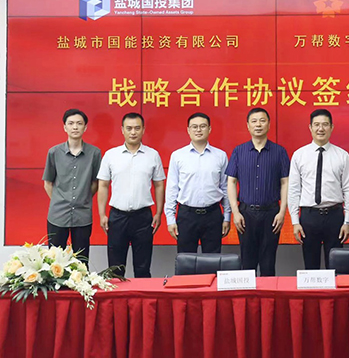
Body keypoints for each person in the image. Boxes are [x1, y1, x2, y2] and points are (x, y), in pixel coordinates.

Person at [97, 113, 165, 277]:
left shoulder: (152, 155)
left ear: (143, 130)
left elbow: (159, 185)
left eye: (137, 128)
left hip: (143, 217)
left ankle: (143, 295)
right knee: (115, 269)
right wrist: (102, 214)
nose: (133, 132)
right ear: (122, 130)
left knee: (143, 267)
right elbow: (103, 185)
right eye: (129, 128)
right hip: (117, 217)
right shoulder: (111, 155)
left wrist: (158, 213)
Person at [288, 109, 349, 269]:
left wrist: (347, 221)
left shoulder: (342, 156)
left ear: (331, 127)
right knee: (310, 266)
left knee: (336, 265)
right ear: (310, 127)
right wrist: (295, 221)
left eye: (325, 124)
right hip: (309, 216)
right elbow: (294, 190)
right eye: (317, 125)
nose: (321, 128)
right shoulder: (299, 155)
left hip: (334, 216)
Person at [226, 108, 290, 276]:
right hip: (245, 214)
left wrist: (282, 212)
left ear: (268, 124)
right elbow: (231, 182)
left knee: (268, 263)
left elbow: (285, 182)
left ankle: (268, 294)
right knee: (247, 263)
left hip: (271, 214)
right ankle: (248, 294)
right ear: (248, 126)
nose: (258, 125)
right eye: (254, 121)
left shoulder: (279, 152)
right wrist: (235, 212)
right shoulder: (239, 151)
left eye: (262, 121)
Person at [165, 112, 231, 253]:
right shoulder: (178, 156)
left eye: (202, 126)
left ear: (209, 129)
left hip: (213, 214)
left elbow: (226, 188)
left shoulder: (220, 156)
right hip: (187, 215)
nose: (198, 130)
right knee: (186, 260)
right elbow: (172, 189)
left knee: (213, 260)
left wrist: (227, 217)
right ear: (188, 130)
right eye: (194, 127)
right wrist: (170, 219)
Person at [43, 109, 101, 264]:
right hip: (57, 215)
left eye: (79, 123)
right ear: (65, 127)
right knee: (54, 262)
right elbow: (48, 183)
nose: (75, 127)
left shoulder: (94, 153)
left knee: (81, 261)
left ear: (85, 127)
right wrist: (59, 199)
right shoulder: (54, 152)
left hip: (83, 215)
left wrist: (83, 198)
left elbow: (95, 183)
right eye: (71, 123)